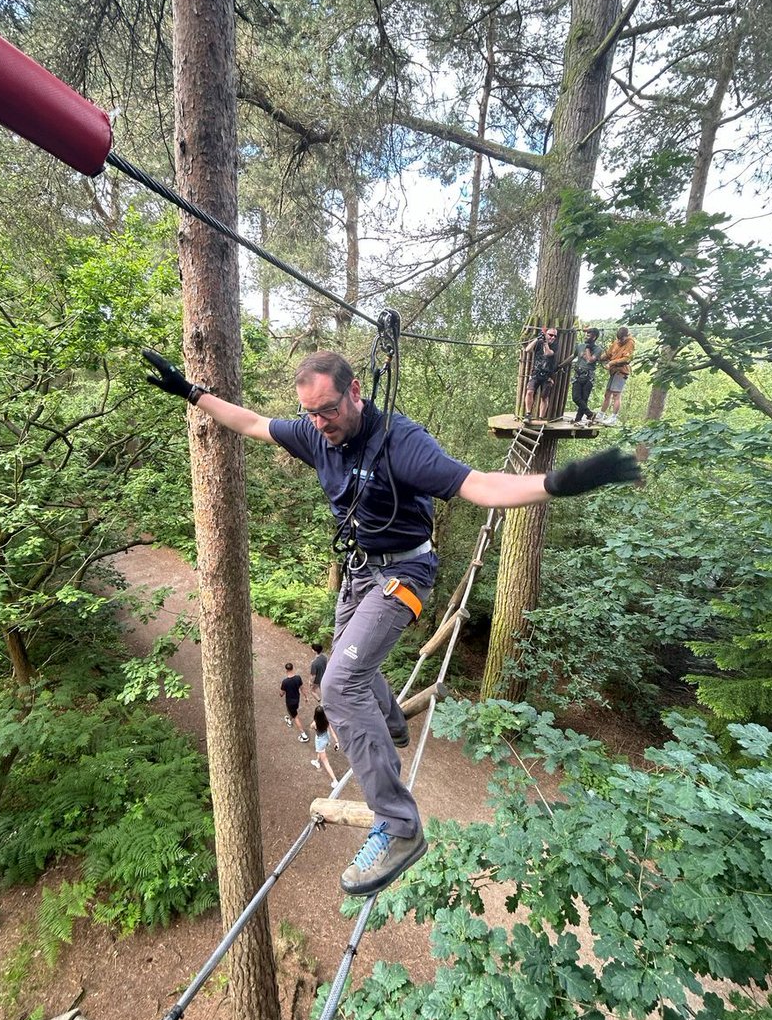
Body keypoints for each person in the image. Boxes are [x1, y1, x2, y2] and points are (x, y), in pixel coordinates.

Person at [143, 347, 640, 896]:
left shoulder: (400, 443)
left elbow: (479, 486)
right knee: (341, 664)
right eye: (310, 412)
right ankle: (393, 725)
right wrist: (191, 391)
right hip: (359, 574)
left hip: (405, 573)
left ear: (356, 392)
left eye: (329, 409)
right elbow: (253, 422)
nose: (319, 423)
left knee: (339, 683)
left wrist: (558, 483)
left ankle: (401, 827)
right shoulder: (315, 434)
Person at [597, 325, 636, 425]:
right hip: (613, 372)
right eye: (618, 339)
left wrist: (611, 363)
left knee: (616, 395)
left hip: (621, 371)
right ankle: (601, 414)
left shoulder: (630, 343)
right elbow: (609, 354)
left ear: (627, 336)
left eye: (622, 339)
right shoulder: (616, 342)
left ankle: (613, 418)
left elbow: (626, 359)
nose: (620, 341)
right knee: (607, 393)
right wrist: (599, 358)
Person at [522, 327, 558, 422]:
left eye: (555, 336)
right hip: (536, 373)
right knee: (529, 392)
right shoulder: (538, 343)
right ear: (546, 334)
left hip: (548, 375)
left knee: (544, 396)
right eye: (550, 335)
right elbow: (527, 349)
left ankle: (541, 418)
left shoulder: (555, 345)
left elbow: (548, 353)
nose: (553, 337)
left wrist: (545, 343)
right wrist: (537, 339)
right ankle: (528, 413)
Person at [571, 327, 600, 425]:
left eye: (588, 335)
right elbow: (572, 356)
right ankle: (590, 414)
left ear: (594, 337)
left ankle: (578, 419)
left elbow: (589, 360)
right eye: (586, 334)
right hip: (578, 375)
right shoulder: (580, 346)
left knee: (584, 399)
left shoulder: (597, 349)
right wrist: (560, 366)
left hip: (588, 377)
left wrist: (587, 348)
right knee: (576, 397)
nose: (586, 336)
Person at [310, 705, 341, 789]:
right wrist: (337, 741)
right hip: (327, 737)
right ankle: (317, 761)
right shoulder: (327, 720)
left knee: (325, 761)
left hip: (320, 740)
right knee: (320, 751)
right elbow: (332, 731)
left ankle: (335, 780)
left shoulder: (315, 723)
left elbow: (311, 726)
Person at [280, 662, 310, 742]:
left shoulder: (285, 682)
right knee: (292, 712)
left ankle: (304, 735)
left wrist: (281, 692)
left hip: (290, 702)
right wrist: (306, 697)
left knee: (295, 716)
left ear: (286, 670)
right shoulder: (298, 678)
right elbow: (302, 688)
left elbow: (281, 694)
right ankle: (289, 720)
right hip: (297, 700)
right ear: (293, 668)